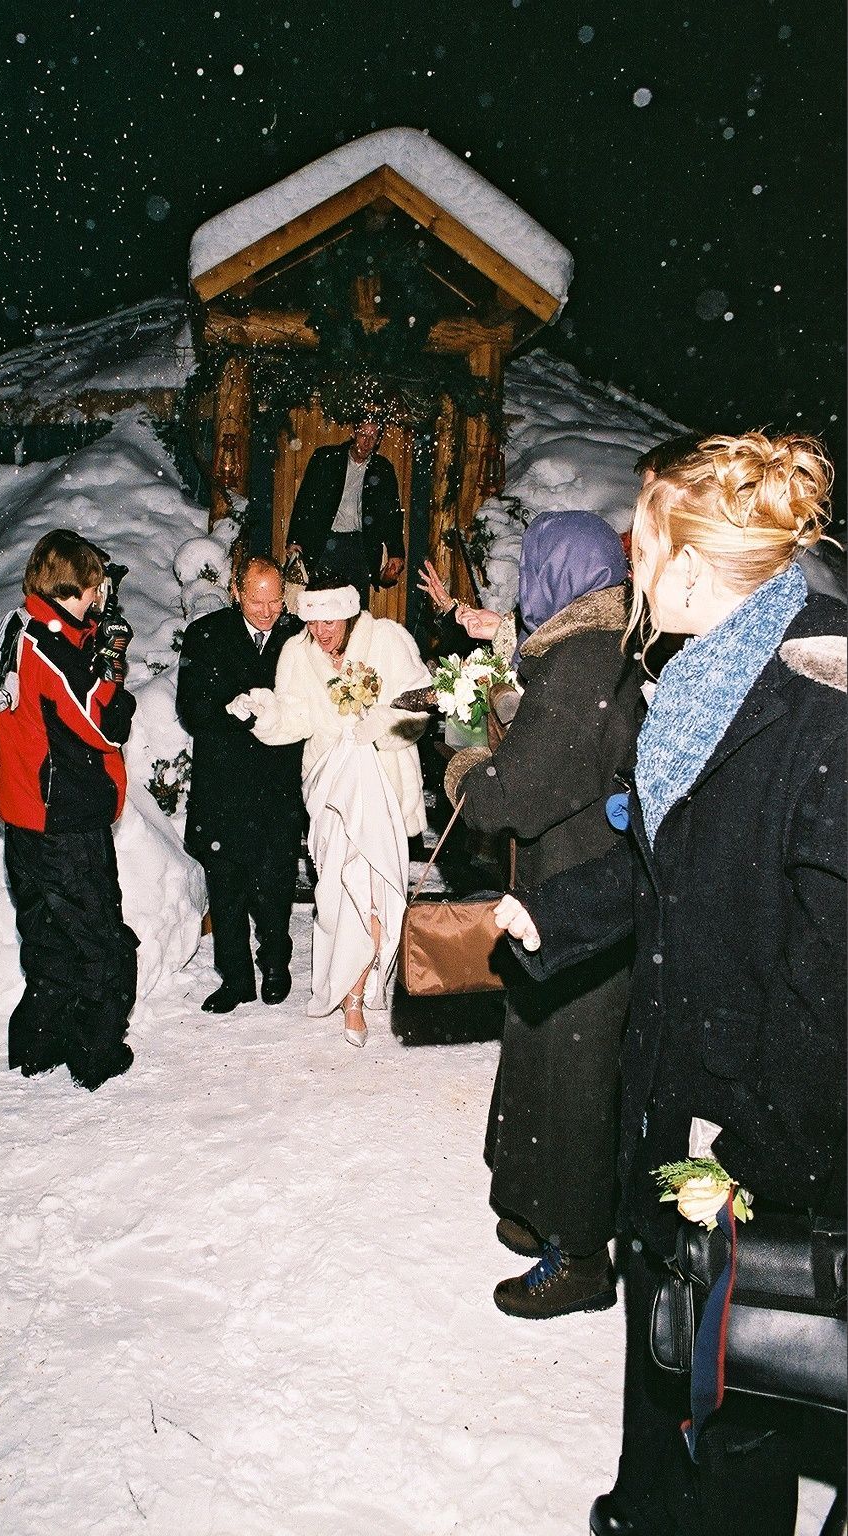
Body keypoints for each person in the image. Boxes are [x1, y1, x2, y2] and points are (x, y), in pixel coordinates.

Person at [494, 433, 846, 1536]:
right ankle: (642, 1507)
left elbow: (829, 967)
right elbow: (672, 865)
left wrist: (763, 1156)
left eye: (637, 553)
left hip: (759, 1118)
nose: (625, 575)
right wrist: (553, 912)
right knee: (664, 1324)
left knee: (735, 1376)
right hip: (680, 1072)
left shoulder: (818, 705)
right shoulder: (701, 680)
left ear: (689, 572)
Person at [442, 511, 642, 1319]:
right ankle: (537, 1206)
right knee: (541, 1054)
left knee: (575, 1076)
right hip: (571, 894)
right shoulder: (595, 648)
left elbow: (514, 797)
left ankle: (581, 1257)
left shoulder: (579, 662)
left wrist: (464, 764)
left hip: (582, 903)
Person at [228, 571, 430, 1045]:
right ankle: (347, 990)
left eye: (330, 621)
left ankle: (362, 990)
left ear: (349, 610)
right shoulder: (297, 653)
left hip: (382, 778)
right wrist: (264, 711)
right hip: (330, 785)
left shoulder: (386, 639)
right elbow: (294, 716)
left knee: (379, 884)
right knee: (340, 888)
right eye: (313, 621)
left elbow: (421, 699)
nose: (321, 632)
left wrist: (379, 721)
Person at [0, 529, 139, 1091]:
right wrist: (113, 677)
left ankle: (39, 1045)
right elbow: (100, 720)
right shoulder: (48, 648)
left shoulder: (20, 624)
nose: (101, 596)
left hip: (27, 813)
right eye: (95, 586)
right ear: (81, 585)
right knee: (96, 933)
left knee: (47, 932)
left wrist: (97, 640)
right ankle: (96, 1052)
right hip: (64, 816)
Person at [176, 554, 304, 1014]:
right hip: (224, 785)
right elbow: (190, 709)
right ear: (236, 590)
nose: (268, 612)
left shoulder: (297, 636)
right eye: (256, 600)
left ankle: (275, 963)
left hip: (277, 786)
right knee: (225, 885)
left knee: (275, 881)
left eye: (275, 601)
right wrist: (232, 714)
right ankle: (234, 979)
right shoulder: (206, 635)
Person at [285, 414, 405, 607]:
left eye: (373, 437)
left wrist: (396, 552)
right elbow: (304, 501)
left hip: (360, 548)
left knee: (355, 609)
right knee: (320, 605)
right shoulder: (325, 458)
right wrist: (294, 540)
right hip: (324, 544)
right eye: (362, 434)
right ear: (352, 433)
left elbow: (391, 515)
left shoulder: (383, 470)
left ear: (379, 440)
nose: (366, 442)